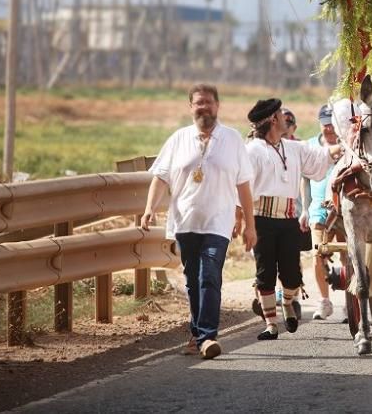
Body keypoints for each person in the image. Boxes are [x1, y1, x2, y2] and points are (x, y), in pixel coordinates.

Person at [141, 84, 257, 360]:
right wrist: (149, 209)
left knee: (209, 277)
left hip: (218, 222)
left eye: (208, 102)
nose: (204, 107)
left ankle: (207, 337)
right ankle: (196, 334)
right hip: (185, 221)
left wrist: (250, 224)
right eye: (198, 103)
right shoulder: (179, 139)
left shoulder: (232, 140)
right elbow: (161, 177)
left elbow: (243, 185)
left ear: (217, 106)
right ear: (190, 107)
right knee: (192, 280)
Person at [245, 98, 343, 341]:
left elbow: (321, 156)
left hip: (288, 219)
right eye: (280, 114)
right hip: (261, 219)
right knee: (265, 273)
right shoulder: (252, 151)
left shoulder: (293, 148)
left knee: (292, 276)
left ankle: (288, 302)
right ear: (271, 121)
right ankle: (271, 324)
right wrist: (243, 223)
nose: (285, 117)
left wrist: (344, 147)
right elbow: (243, 188)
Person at [303, 105, 340, 320]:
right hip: (318, 209)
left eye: (332, 124)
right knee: (318, 254)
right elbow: (304, 180)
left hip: (343, 211)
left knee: (348, 255)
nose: (329, 129)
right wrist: (305, 210)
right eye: (325, 124)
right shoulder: (310, 146)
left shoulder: (347, 146)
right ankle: (325, 301)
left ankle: (351, 302)